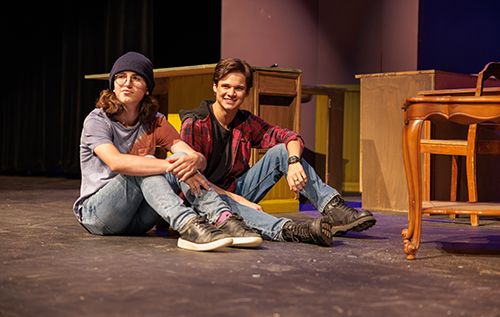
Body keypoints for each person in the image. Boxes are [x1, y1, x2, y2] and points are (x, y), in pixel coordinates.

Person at [73, 52, 262, 252]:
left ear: (146, 89)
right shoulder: (97, 120)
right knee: (149, 163)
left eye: (136, 78)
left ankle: (222, 218)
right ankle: (187, 225)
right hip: (98, 215)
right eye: (121, 76)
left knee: (181, 159)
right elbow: (116, 162)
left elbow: (195, 158)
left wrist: (193, 160)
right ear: (113, 83)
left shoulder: (156, 121)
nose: (127, 83)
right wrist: (171, 165)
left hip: (137, 221)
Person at [179, 58, 376, 247]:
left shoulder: (244, 121)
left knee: (283, 150)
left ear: (247, 92)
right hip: (203, 198)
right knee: (226, 201)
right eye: (225, 86)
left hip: (236, 190)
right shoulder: (195, 123)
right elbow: (192, 177)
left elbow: (289, 137)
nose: (231, 93)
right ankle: (290, 231)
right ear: (215, 86)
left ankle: (334, 210)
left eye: (238, 88)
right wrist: (236, 198)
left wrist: (293, 161)